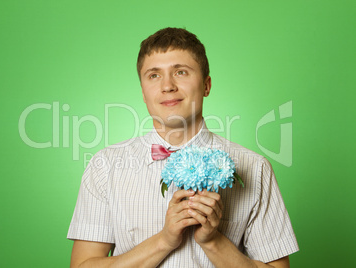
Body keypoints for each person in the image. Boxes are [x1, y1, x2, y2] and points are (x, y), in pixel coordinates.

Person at [67, 27, 299, 267]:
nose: (167, 86)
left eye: (180, 72)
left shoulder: (255, 168)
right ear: (144, 93)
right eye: (154, 75)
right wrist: (164, 241)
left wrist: (212, 241)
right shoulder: (105, 167)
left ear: (207, 85)